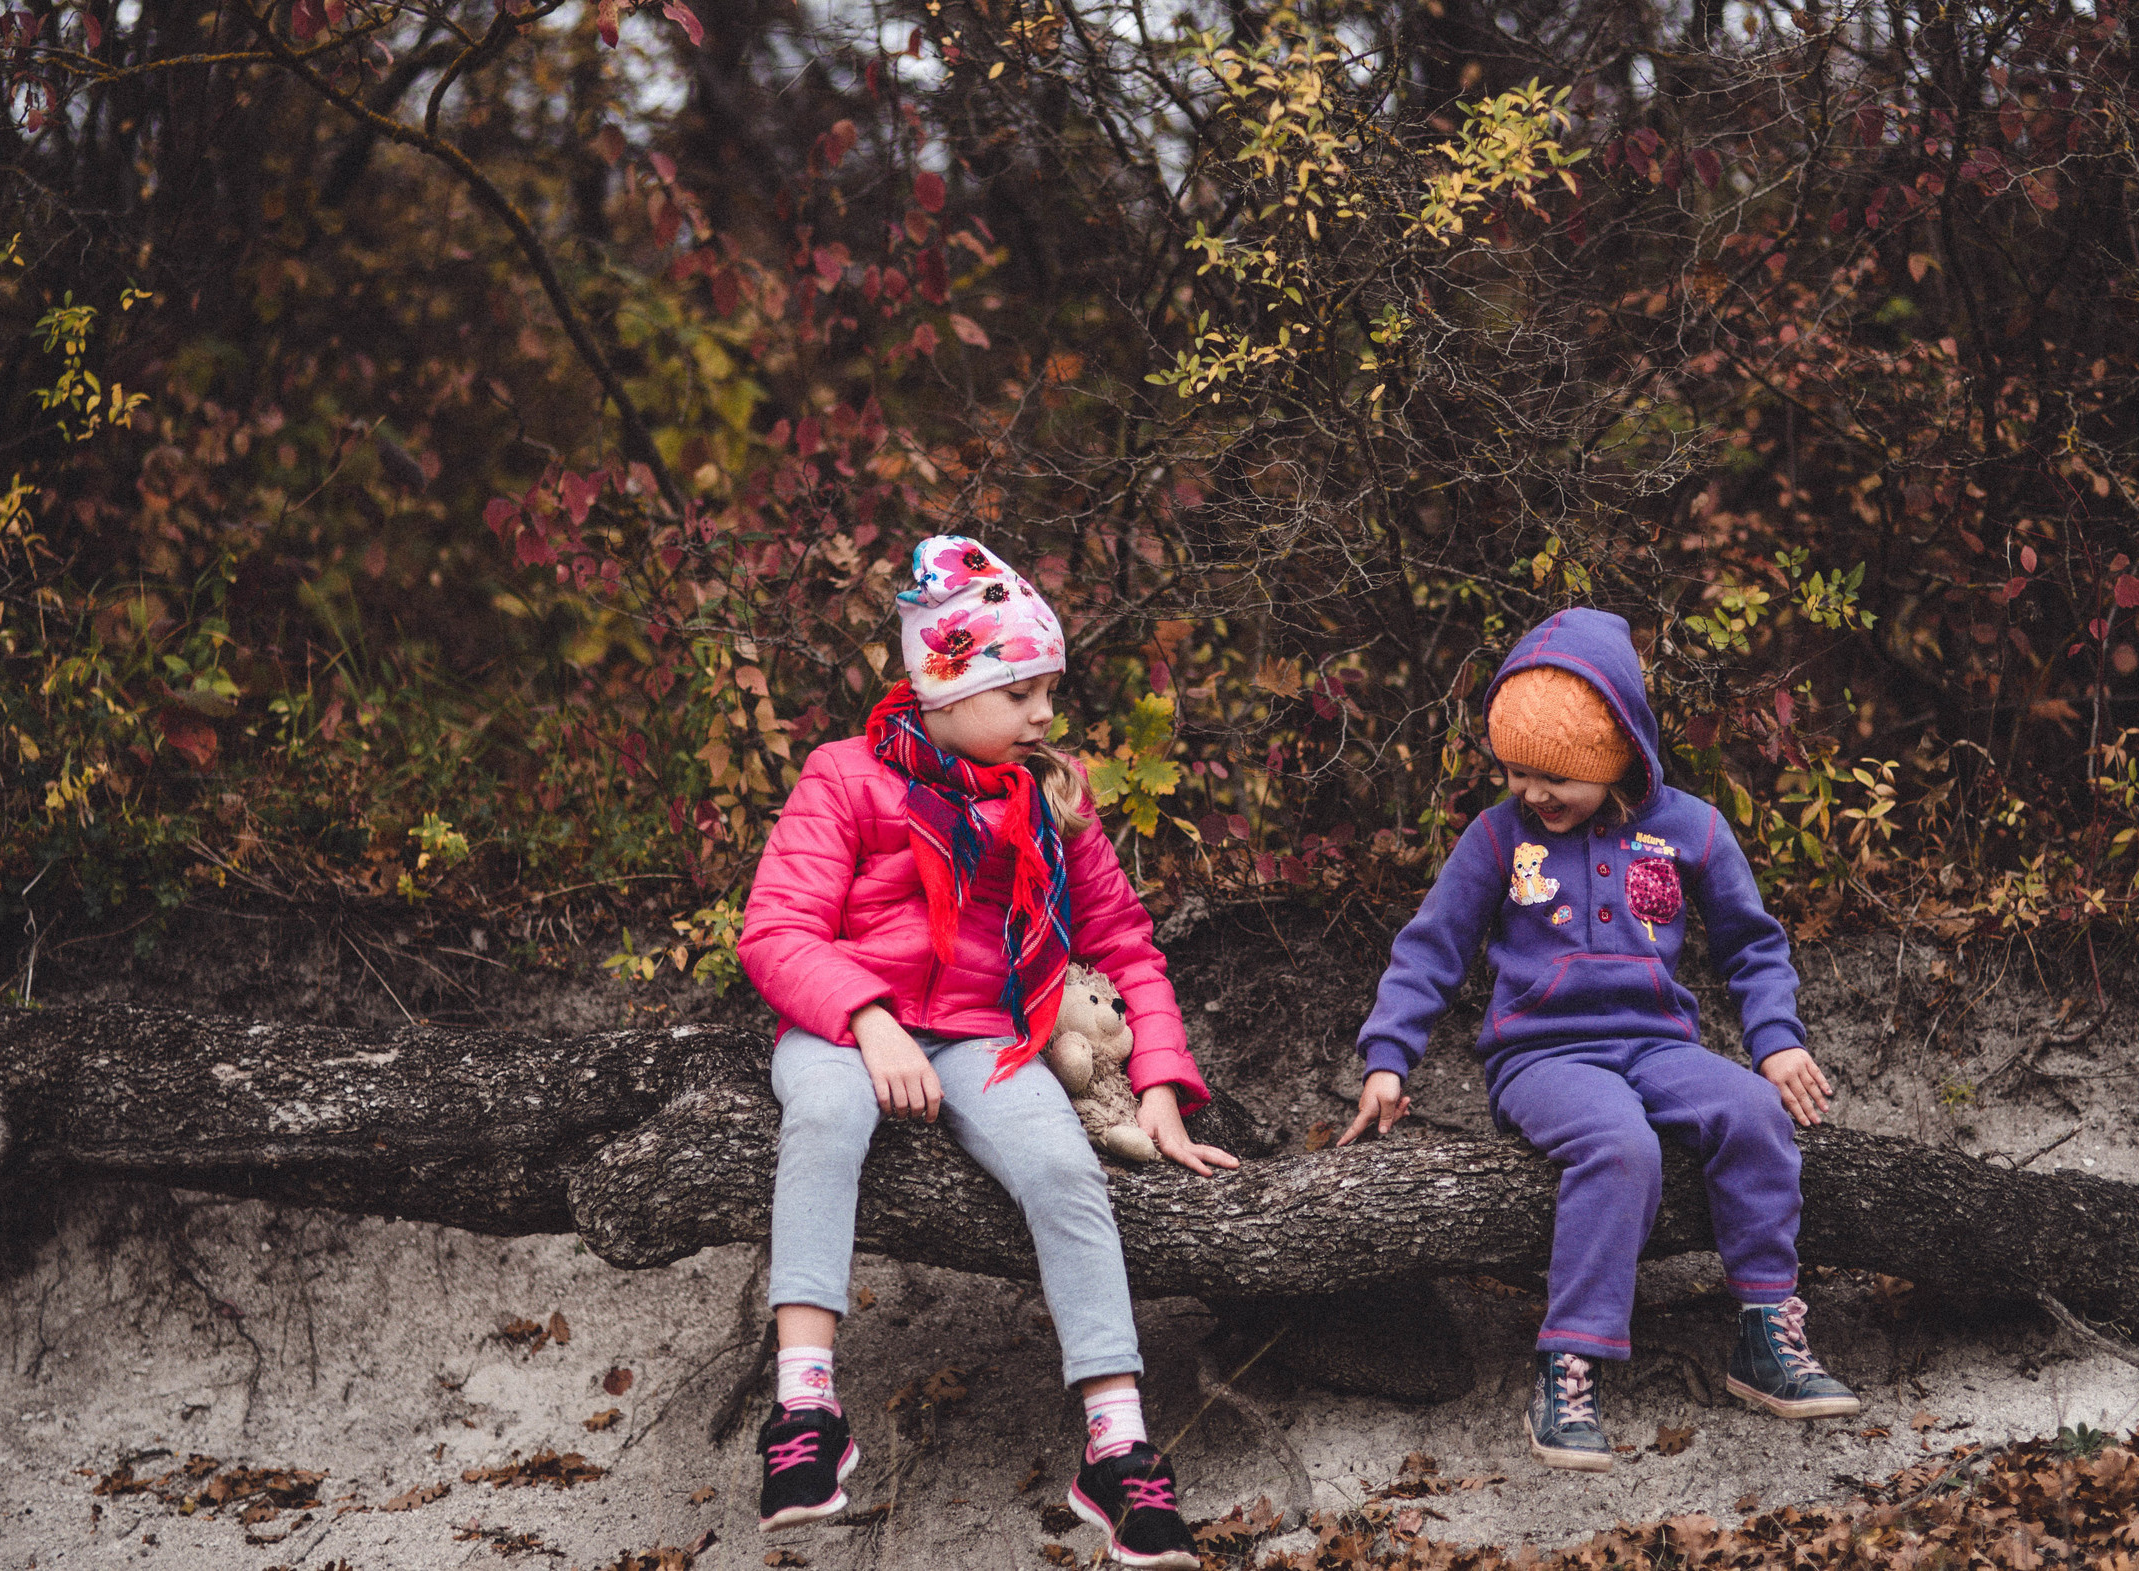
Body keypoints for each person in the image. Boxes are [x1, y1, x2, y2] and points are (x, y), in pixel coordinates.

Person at [736, 534, 1236, 1568]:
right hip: (842, 1026)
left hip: (980, 1037)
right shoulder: (844, 778)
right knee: (825, 1115)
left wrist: (1158, 1082)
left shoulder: (1049, 797)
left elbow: (1123, 942)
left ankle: (1117, 1442)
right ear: (941, 689)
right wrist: (868, 1018)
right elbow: (776, 932)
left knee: (1062, 1167)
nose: (1043, 713)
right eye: (1019, 690)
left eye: (1046, 688)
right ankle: (804, 1411)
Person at [1339, 607, 1860, 1473]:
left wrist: (1775, 1042)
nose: (1532, 793)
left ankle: (1767, 1331)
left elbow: (1753, 944)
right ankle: (1567, 1362)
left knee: (1753, 1113)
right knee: (1622, 1146)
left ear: (1619, 750)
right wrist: (1390, 1057)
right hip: (1543, 1058)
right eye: (1514, 771)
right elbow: (1430, 946)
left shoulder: (1689, 829)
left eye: (1554, 777)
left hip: (1658, 1045)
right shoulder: (1498, 838)